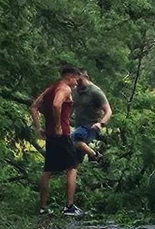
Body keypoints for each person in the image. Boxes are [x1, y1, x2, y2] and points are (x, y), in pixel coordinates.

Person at [30, 65, 83, 216]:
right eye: (76, 79)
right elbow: (56, 104)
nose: (76, 83)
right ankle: (69, 206)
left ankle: (43, 207)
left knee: (48, 171)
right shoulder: (64, 88)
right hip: (62, 134)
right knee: (72, 168)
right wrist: (59, 126)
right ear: (70, 77)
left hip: (50, 135)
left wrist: (38, 127)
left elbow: (34, 107)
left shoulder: (51, 88)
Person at [71, 70, 112, 163]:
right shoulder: (75, 91)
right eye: (76, 80)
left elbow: (108, 111)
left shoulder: (95, 92)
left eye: (80, 80)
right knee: (75, 158)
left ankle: (96, 156)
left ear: (86, 77)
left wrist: (101, 124)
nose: (78, 83)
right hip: (79, 126)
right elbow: (71, 108)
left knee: (71, 139)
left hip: (91, 126)